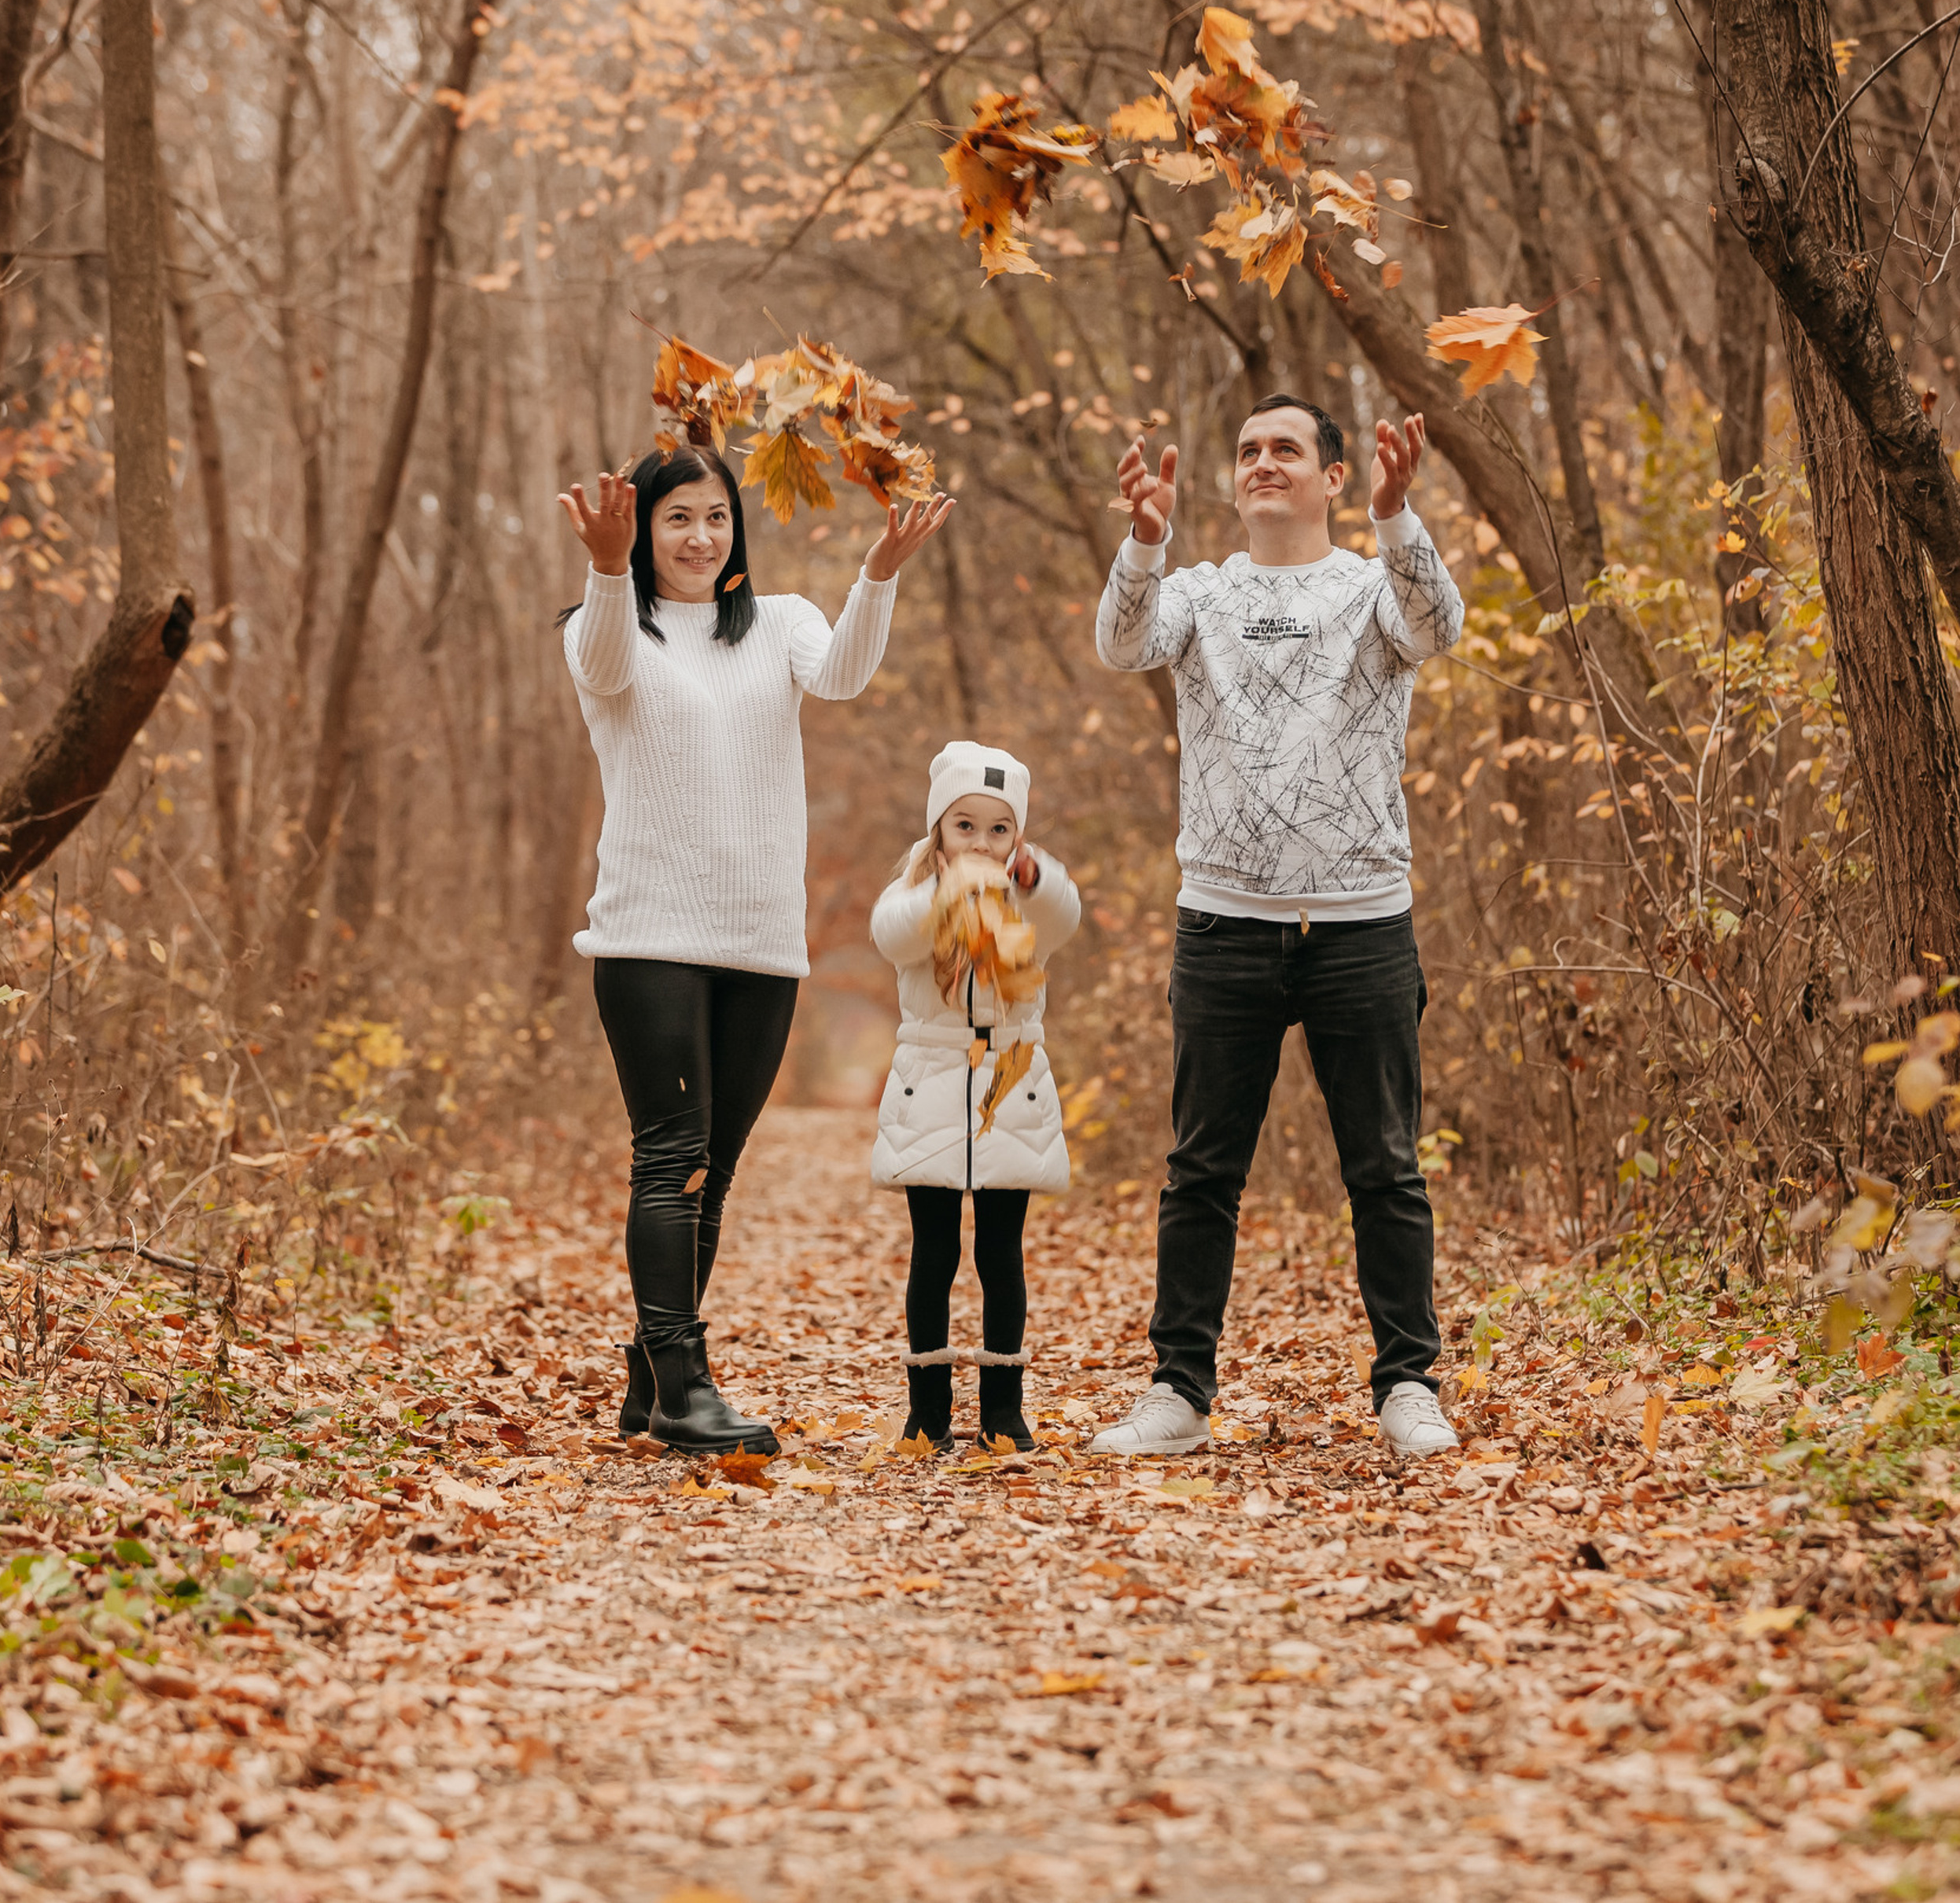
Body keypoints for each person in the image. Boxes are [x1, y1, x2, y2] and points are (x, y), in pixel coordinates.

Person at [1087, 396, 1464, 1459]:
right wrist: (1146, 540)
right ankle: (1178, 1392)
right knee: (1201, 1172)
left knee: (1384, 1169)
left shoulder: (1370, 588)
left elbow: (1439, 628)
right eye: (1248, 451)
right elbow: (1122, 645)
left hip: (1360, 925)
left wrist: (1401, 521)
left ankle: (1408, 1386)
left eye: (1286, 450)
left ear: (1334, 478)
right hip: (1223, 925)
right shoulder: (1199, 593)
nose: (1263, 464)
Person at [558, 446, 953, 1456]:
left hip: (761, 939)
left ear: (738, 531)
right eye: (676, 519)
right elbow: (605, 664)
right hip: (650, 935)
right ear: (642, 530)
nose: (699, 538)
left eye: (716, 518)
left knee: (715, 1173)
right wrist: (606, 570)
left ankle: (649, 1383)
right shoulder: (606, 626)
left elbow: (847, 675)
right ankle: (685, 1383)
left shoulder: (780, 624)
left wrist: (880, 572)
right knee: (672, 1161)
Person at [869, 742, 1081, 1451]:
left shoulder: (1027, 894)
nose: (981, 842)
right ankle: (927, 1407)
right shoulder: (913, 889)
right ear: (939, 829)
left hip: (1010, 1079)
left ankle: (1003, 1407)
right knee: (934, 1251)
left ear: (1017, 835)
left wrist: (1032, 875)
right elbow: (890, 935)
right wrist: (947, 890)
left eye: (999, 828)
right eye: (965, 826)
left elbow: (1065, 915)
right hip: (928, 1080)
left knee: (1001, 1252)